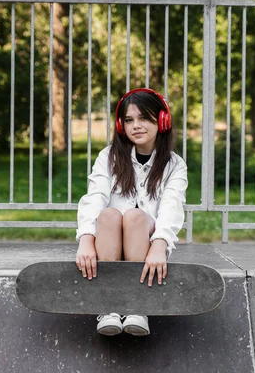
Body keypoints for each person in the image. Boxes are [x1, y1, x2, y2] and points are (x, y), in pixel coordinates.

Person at [75, 88, 188, 336]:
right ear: (121, 125)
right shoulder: (109, 156)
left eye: (145, 118)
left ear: (162, 120)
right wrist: (85, 238)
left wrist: (160, 244)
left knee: (135, 216)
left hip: (146, 245)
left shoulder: (173, 164)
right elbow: (95, 197)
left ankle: (138, 306)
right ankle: (109, 307)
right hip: (109, 241)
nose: (136, 125)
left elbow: (172, 205)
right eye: (129, 120)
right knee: (109, 214)